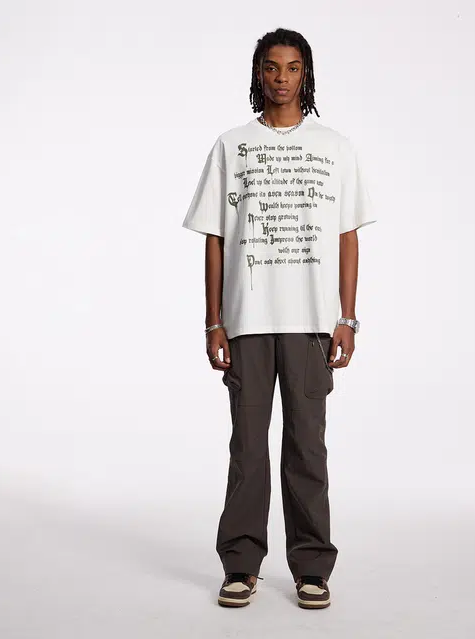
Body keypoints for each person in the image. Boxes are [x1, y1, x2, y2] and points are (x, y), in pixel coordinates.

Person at [182, 27, 376, 609]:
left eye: (293, 68)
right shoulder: (232, 146)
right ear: (258, 73)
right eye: (272, 67)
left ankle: (312, 566)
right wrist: (214, 321)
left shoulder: (334, 147)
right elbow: (215, 238)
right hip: (247, 320)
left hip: (312, 322)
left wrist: (347, 318)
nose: (282, 78)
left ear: (306, 75)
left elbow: (347, 236)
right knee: (248, 449)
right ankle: (241, 563)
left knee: (306, 446)